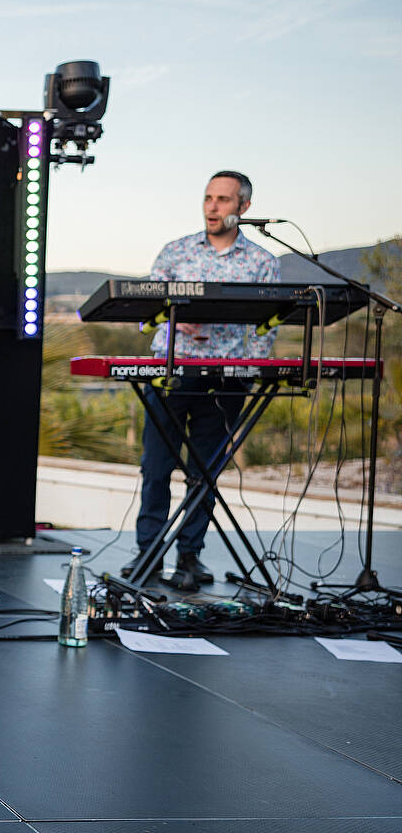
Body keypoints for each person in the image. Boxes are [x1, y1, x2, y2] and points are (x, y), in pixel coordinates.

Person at [125, 170, 279, 588]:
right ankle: (148, 554)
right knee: (155, 468)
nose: (213, 207)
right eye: (208, 198)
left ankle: (189, 558)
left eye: (224, 200)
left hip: (226, 380)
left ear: (244, 208)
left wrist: (256, 373)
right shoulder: (175, 252)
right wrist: (176, 323)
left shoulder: (263, 262)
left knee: (204, 472)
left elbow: (268, 327)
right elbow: (145, 312)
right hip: (172, 372)